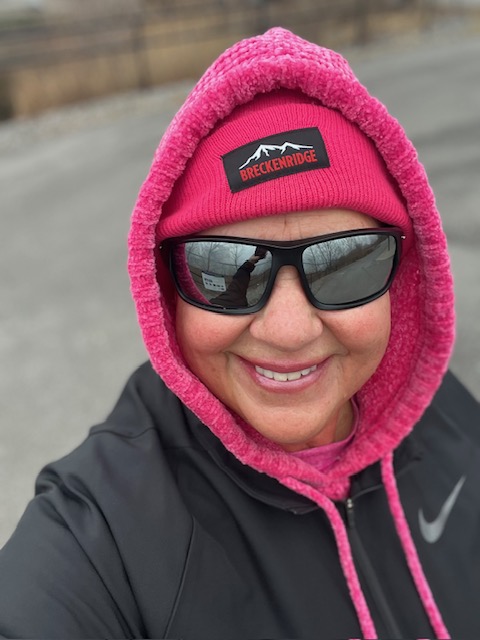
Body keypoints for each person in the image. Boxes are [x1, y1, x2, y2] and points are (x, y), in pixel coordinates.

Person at [0, 27, 479, 639]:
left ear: (401, 279)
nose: (289, 330)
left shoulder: (449, 417)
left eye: (345, 262)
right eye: (227, 271)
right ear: (167, 289)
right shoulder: (102, 535)